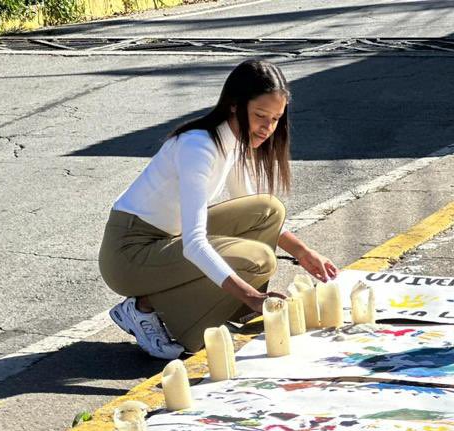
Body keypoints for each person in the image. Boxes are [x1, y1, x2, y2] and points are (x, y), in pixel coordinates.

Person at [99, 59, 338, 360]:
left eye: (276, 119)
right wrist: (252, 296)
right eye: (260, 116)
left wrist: (303, 252)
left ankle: (229, 306)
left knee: (268, 211)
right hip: (128, 255)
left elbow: (253, 206)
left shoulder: (234, 141)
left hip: (165, 242)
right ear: (235, 105)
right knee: (259, 259)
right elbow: (194, 243)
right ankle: (144, 308)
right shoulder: (198, 147)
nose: (267, 128)